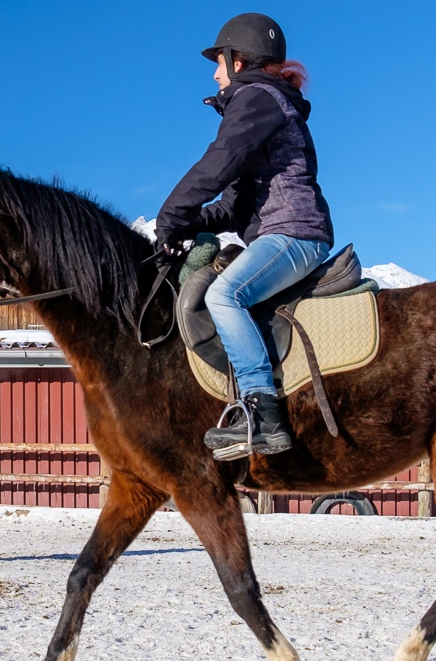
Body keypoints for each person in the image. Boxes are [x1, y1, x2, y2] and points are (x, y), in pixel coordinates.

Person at [156, 12, 334, 456]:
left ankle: (262, 412)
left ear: (239, 60)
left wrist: (171, 214)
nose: (215, 73)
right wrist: (191, 224)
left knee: (224, 295)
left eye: (219, 61)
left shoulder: (256, 98)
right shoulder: (262, 102)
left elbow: (218, 163)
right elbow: (233, 204)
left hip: (293, 233)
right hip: (280, 233)